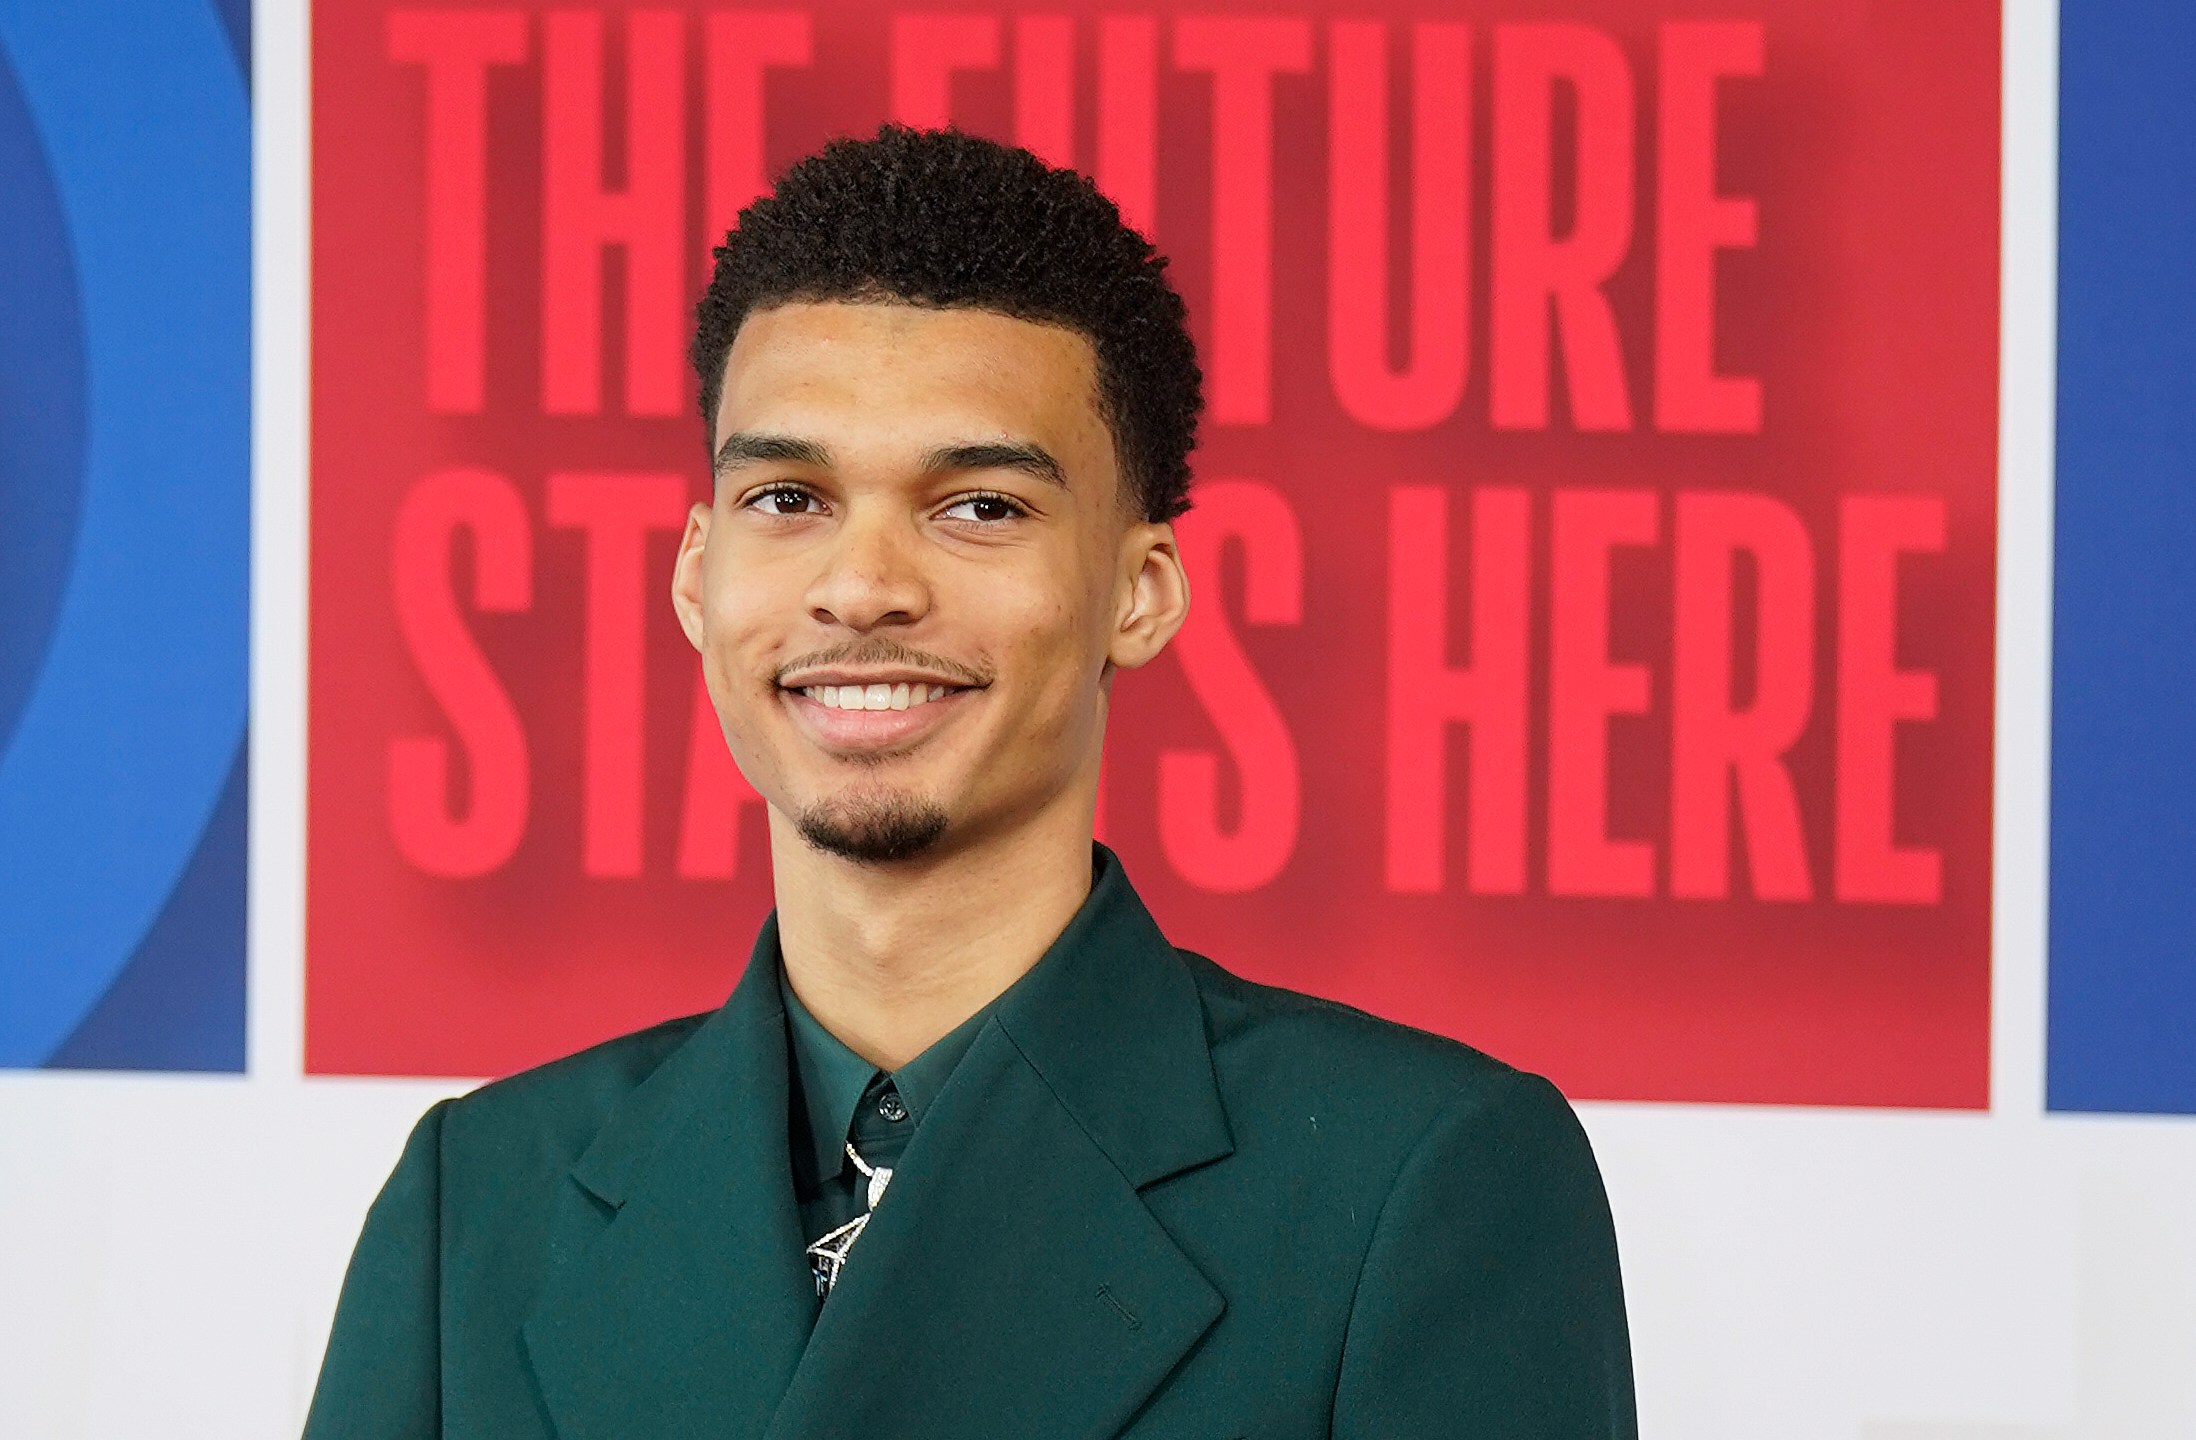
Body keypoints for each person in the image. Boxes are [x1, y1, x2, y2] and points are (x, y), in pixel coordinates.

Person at [304, 125, 1635, 1439]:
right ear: (696, 574)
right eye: (789, 497)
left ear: (1140, 591)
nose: (866, 586)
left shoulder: (1420, 1180)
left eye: (979, 507)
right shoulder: (475, 1206)